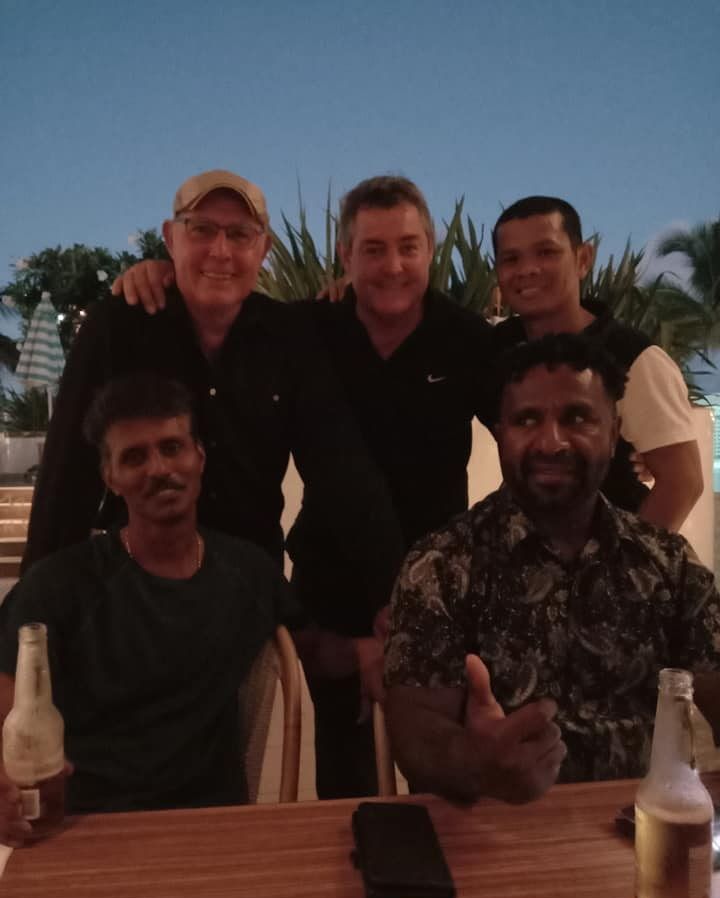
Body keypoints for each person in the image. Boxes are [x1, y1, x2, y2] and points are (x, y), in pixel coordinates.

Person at [112, 175, 495, 799]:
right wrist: (151, 274)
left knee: (450, 777)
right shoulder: (308, 328)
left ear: (430, 248)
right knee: (346, 778)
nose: (392, 265)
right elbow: (341, 471)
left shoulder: (471, 340)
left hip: (440, 588)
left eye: (408, 246)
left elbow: (529, 439)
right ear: (345, 257)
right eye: (372, 249)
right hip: (332, 586)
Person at [22, 170, 403, 652]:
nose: (220, 251)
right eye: (201, 229)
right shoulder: (118, 325)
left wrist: (394, 596)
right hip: (132, 595)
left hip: (246, 598)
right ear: (170, 238)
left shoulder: (290, 338)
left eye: (240, 234)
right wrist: (35, 620)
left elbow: (342, 471)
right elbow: (65, 477)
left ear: (263, 250)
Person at [384, 334, 720, 804]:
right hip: (488, 836)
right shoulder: (441, 565)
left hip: (637, 838)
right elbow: (415, 732)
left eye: (577, 417)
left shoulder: (667, 564)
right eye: (527, 420)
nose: (551, 441)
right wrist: (476, 760)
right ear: (500, 432)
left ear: (614, 431)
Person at [0, 373, 299, 840]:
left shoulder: (248, 573)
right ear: (110, 477)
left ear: (199, 456)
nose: (159, 468)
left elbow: (318, 648)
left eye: (172, 447)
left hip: (212, 831)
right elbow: (7, 698)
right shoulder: (60, 586)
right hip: (82, 830)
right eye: (134, 456)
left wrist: (371, 653)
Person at [491, 195, 702, 531]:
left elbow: (682, 482)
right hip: (523, 563)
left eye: (546, 252)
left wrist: (624, 569)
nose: (527, 270)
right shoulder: (497, 349)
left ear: (583, 258)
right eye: (511, 258)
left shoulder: (635, 358)